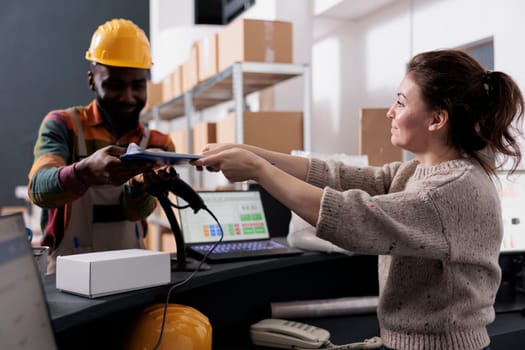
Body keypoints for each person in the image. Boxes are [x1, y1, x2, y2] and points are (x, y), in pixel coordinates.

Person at [192, 49, 524, 350]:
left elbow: (355, 218)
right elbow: (340, 176)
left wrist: (259, 170)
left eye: (401, 102)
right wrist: (253, 153)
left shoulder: (452, 189)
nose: (390, 112)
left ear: (437, 119)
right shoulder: (416, 172)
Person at [28, 18, 176, 274]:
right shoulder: (64, 125)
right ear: (91, 80)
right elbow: (39, 190)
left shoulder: (157, 144)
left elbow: (134, 214)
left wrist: (140, 187)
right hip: (67, 278)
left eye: (138, 85)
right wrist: (84, 172)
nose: (128, 97)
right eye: (114, 85)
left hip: (131, 272)